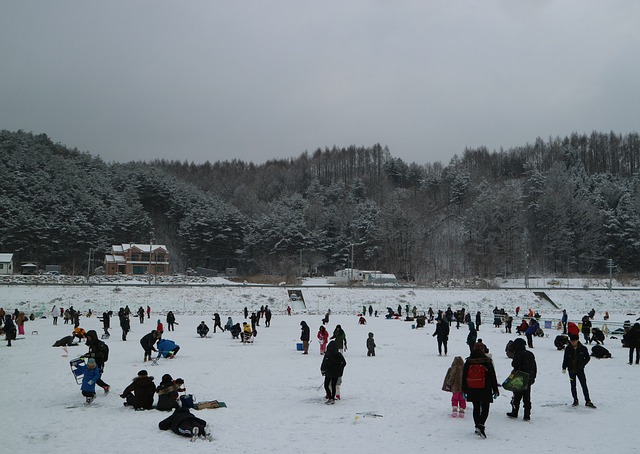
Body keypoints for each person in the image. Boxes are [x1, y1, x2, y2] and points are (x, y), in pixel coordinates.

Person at [462, 343, 500, 438]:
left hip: (472, 388)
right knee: (485, 407)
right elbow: (492, 376)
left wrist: (464, 390)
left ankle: (477, 426)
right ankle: (481, 424)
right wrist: (495, 389)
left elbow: (464, 376)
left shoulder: (469, 361)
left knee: (476, 407)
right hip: (485, 388)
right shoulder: (487, 361)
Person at [506, 338, 537, 421]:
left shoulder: (518, 354)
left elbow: (514, 364)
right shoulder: (530, 354)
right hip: (528, 377)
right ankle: (527, 415)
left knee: (516, 396)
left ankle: (514, 412)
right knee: (527, 398)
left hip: (519, 378)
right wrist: (533, 377)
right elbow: (534, 366)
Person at [562, 334, 596, 408]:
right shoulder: (568, 348)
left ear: (577, 340)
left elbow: (587, 358)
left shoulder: (583, 348)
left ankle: (588, 401)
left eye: (574, 341)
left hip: (580, 370)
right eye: (571, 341)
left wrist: (582, 364)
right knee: (573, 386)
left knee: (584, 385)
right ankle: (575, 400)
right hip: (571, 370)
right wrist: (564, 367)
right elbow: (565, 358)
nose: (572, 342)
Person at [321, 340, 347, 404]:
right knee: (333, 385)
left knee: (326, 385)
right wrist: (340, 369)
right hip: (336, 373)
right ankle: (332, 398)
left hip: (329, 373)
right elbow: (344, 363)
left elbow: (324, 363)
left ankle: (330, 397)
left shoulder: (327, 354)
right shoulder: (338, 354)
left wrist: (322, 370)